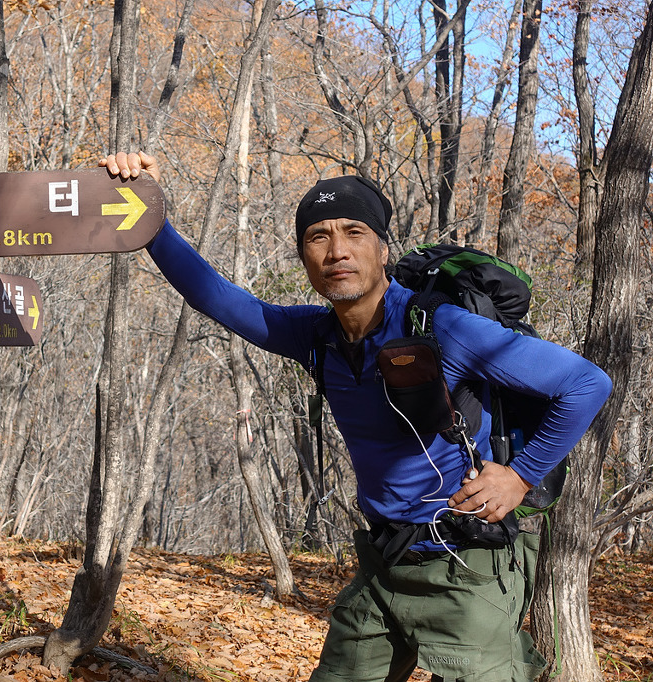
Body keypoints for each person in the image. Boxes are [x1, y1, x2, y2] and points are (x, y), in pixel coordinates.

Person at [102, 151, 612, 682]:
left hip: (468, 567)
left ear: (383, 249)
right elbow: (218, 297)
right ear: (304, 257)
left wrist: (520, 476)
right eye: (318, 237)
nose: (337, 250)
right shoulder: (315, 336)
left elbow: (587, 383)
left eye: (354, 232)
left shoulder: (444, 329)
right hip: (384, 567)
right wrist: (150, 216)